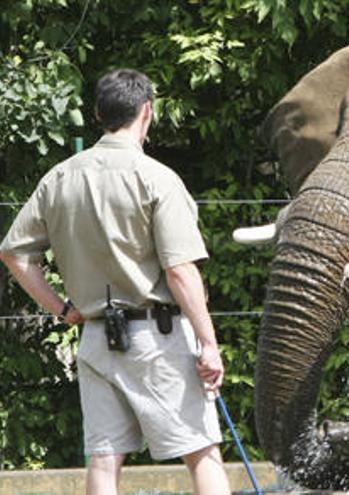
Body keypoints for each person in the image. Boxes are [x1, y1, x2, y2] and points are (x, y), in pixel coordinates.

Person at [0, 69, 231, 495]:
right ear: (148, 112)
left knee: (104, 460)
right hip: (157, 339)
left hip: (94, 338)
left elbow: (14, 253)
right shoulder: (157, 178)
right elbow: (180, 270)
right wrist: (208, 343)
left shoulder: (60, 178)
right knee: (202, 452)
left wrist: (62, 310)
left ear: (96, 113)